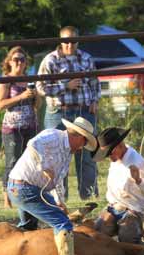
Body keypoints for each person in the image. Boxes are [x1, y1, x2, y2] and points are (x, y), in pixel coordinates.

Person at [7, 117, 97, 255]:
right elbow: (33, 144)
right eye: (85, 142)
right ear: (79, 137)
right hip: (25, 189)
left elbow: (58, 181)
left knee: (28, 228)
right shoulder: (53, 135)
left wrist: (59, 201)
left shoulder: (67, 154)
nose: (83, 147)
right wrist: (45, 166)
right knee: (62, 223)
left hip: (26, 189)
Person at [37, 25, 100, 200]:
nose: (69, 44)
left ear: (77, 41)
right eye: (66, 41)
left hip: (84, 112)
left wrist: (95, 100)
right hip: (59, 112)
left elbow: (95, 82)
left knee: (87, 155)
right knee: (56, 154)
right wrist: (66, 86)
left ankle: (88, 197)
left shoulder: (86, 58)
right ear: (60, 41)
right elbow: (40, 87)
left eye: (73, 41)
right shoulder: (50, 60)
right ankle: (58, 198)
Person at [0, 46, 40, 219]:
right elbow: (0, 105)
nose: (19, 62)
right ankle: (6, 196)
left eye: (22, 59)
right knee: (12, 161)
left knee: (28, 162)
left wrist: (36, 96)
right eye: (16, 59)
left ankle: (25, 194)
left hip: (30, 126)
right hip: (12, 128)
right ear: (9, 62)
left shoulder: (29, 80)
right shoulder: (6, 80)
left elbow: (36, 106)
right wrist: (21, 97)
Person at [91, 127, 144, 244]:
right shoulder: (115, 159)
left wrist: (138, 180)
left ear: (120, 145)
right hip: (114, 206)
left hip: (134, 209)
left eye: (111, 152)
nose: (110, 157)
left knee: (128, 237)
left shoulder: (138, 162)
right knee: (97, 232)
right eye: (107, 154)